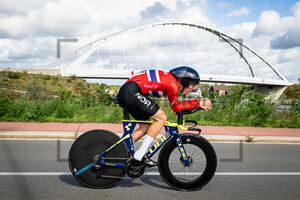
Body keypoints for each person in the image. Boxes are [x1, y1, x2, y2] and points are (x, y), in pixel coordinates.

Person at [117, 66, 212, 167]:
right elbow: (176, 107)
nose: (193, 88)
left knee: (145, 128)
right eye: (192, 85)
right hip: (130, 91)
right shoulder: (172, 84)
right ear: (185, 81)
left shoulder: (169, 79)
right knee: (161, 118)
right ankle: (140, 154)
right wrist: (197, 103)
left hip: (128, 90)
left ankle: (118, 151)